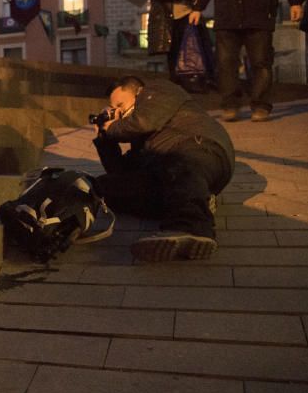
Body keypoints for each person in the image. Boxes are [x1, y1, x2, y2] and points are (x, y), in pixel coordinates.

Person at [93, 76, 235, 262]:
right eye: (114, 109)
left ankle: (190, 226)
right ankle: (197, 200)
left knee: (176, 162)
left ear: (137, 92)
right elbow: (120, 172)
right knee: (106, 187)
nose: (118, 113)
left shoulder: (158, 89)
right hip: (167, 171)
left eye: (121, 105)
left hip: (201, 149)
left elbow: (143, 122)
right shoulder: (141, 141)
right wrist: (104, 140)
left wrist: (112, 127)